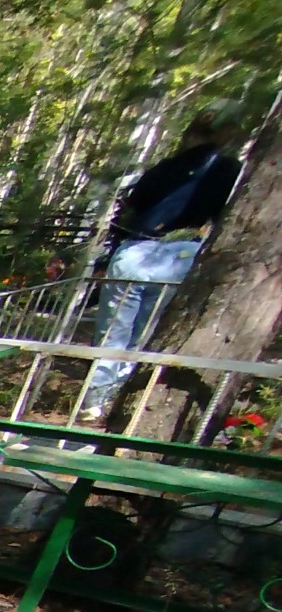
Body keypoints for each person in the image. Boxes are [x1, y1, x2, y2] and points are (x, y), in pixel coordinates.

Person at [79, 112, 243, 421]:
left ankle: (95, 398)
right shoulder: (228, 170)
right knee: (147, 330)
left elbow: (134, 205)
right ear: (226, 134)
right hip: (180, 253)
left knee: (112, 329)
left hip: (135, 250)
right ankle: (119, 393)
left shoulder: (165, 167)